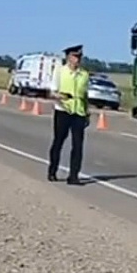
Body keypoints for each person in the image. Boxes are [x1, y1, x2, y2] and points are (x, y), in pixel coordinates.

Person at [46, 44, 91, 185]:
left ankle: (73, 176)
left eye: (79, 56)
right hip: (63, 111)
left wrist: (87, 112)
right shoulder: (60, 71)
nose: (78, 59)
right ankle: (52, 171)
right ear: (68, 57)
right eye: (75, 56)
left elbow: (85, 95)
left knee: (78, 145)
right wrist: (61, 96)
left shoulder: (84, 74)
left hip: (79, 112)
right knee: (58, 141)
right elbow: (52, 92)